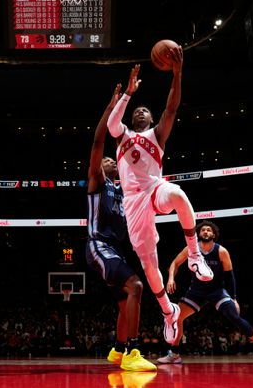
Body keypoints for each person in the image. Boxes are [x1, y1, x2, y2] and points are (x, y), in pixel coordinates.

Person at [106, 55, 213, 345]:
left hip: (154, 188)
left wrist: (177, 73)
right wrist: (129, 93)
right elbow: (111, 123)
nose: (141, 112)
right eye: (137, 110)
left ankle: (194, 255)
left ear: (152, 119)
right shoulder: (122, 134)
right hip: (133, 203)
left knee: (178, 193)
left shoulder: (158, 134)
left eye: (145, 111)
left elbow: (173, 106)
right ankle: (168, 311)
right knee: (149, 264)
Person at [86, 84, 156, 372]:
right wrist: (112, 106)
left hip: (115, 249)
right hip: (98, 245)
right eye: (106, 160)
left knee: (125, 301)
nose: (109, 161)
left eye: (112, 160)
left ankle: (117, 349)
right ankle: (133, 350)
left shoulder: (124, 190)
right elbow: (97, 141)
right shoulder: (97, 182)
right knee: (137, 286)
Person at [157, 220, 253, 364]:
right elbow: (175, 263)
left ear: (214, 234)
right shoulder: (191, 249)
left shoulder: (221, 251)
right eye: (203, 230)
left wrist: (234, 298)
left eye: (209, 230)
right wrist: (170, 279)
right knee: (176, 317)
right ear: (198, 234)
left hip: (216, 291)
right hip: (196, 291)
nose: (205, 231)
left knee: (234, 316)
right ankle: (174, 354)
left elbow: (229, 276)